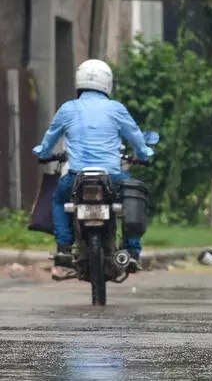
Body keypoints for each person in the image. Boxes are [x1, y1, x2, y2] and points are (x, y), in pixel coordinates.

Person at [32, 59, 154, 272]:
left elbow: (50, 138)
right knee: (133, 194)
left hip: (76, 176)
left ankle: (64, 247)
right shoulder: (116, 109)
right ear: (107, 83)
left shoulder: (68, 109)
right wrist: (145, 153)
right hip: (111, 177)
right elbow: (135, 136)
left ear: (79, 81)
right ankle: (132, 251)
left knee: (60, 199)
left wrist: (43, 153)